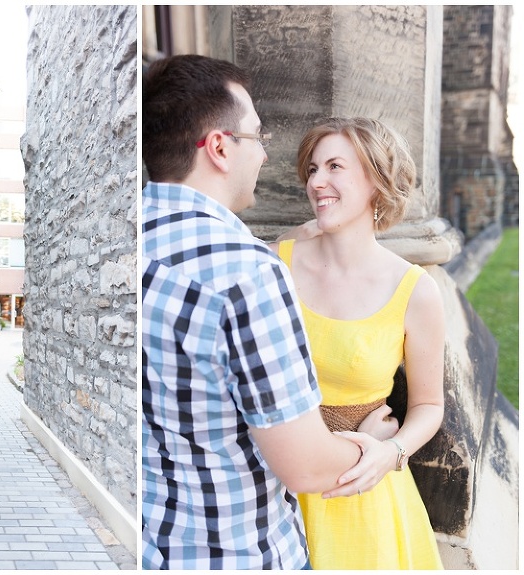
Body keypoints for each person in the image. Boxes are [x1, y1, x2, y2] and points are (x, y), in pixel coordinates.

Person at [141, 54, 399, 570]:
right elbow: (307, 467)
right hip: (239, 552)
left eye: (335, 167)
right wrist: (372, 447)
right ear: (220, 148)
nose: (263, 155)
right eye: (257, 136)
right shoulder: (250, 272)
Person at [270, 117, 445, 569]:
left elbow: (429, 405)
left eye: (335, 167)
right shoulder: (274, 264)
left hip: (361, 490)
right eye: (312, 169)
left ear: (376, 181)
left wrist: (390, 452)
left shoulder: (416, 291)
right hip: (272, 485)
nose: (316, 182)